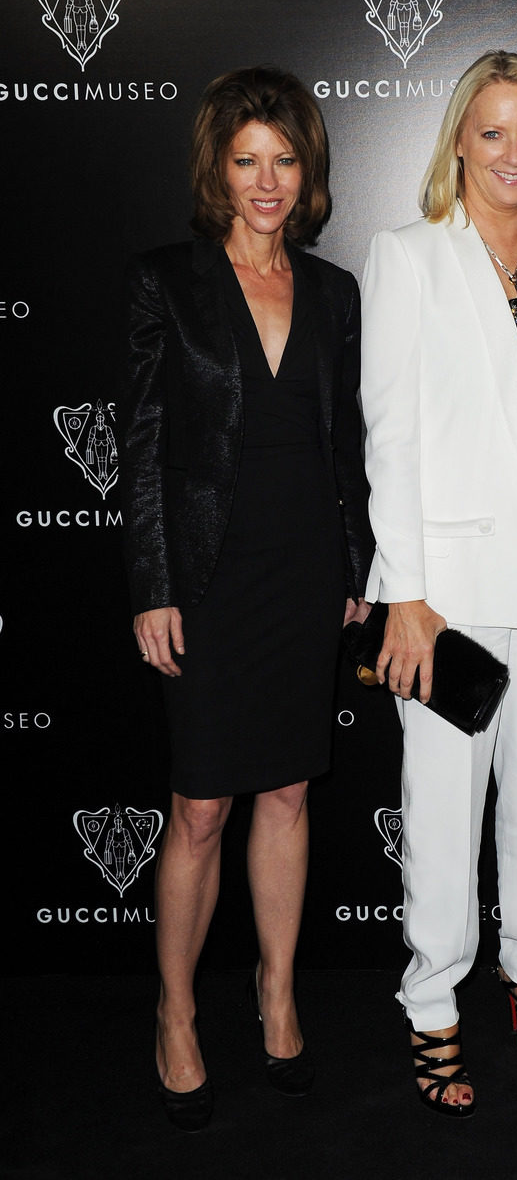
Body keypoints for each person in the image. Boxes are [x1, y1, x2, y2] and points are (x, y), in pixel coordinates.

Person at [120, 66, 371, 1131]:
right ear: (217, 172)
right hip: (208, 575)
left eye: (284, 160)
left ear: (306, 171)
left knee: (286, 793)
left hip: (305, 571)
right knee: (200, 804)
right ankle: (176, 1012)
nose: (267, 182)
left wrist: (362, 564)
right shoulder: (165, 280)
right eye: (246, 161)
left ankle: (277, 994)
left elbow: (351, 447)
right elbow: (138, 445)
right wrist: (154, 583)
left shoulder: (333, 290)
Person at [360, 50, 517, 1117]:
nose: (514, 153)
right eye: (493, 131)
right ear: (458, 138)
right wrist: (404, 590)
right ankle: (431, 1003)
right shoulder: (408, 255)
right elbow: (389, 434)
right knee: (442, 808)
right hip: (449, 594)